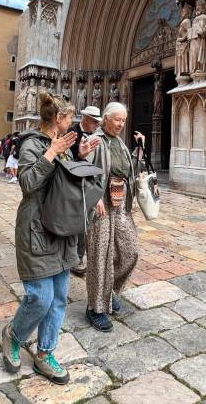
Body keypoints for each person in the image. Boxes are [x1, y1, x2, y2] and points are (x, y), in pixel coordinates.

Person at [2, 91, 99, 385]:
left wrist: (78, 157)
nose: (73, 123)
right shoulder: (33, 144)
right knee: (40, 298)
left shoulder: (64, 145)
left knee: (58, 298)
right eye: (70, 118)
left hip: (62, 229)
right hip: (37, 229)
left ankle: (45, 353)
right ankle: (14, 334)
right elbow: (28, 182)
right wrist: (51, 153)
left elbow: (65, 180)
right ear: (58, 119)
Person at [84, 102, 145, 332]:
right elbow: (82, 171)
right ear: (105, 119)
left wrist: (139, 151)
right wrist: (94, 196)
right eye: (117, 119)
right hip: (100, 205)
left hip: (120, 204)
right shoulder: (95, 140)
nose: (121, 124)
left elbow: (129, 171)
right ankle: (95, 308)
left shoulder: (119, 142)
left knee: (130, 251)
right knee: (100, 255)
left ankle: (108, 290)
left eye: (123, 120)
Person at [68, 105, 102, 275]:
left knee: (87, 223)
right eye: (95, 121)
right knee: (78, 223)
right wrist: (79, 156)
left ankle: (81, 256)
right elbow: (66, 160)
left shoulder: (97, 136)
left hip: (90, 184)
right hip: (74, 185)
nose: (97, 125)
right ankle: (76, 257)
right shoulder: (72, 133)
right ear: (86, 119)